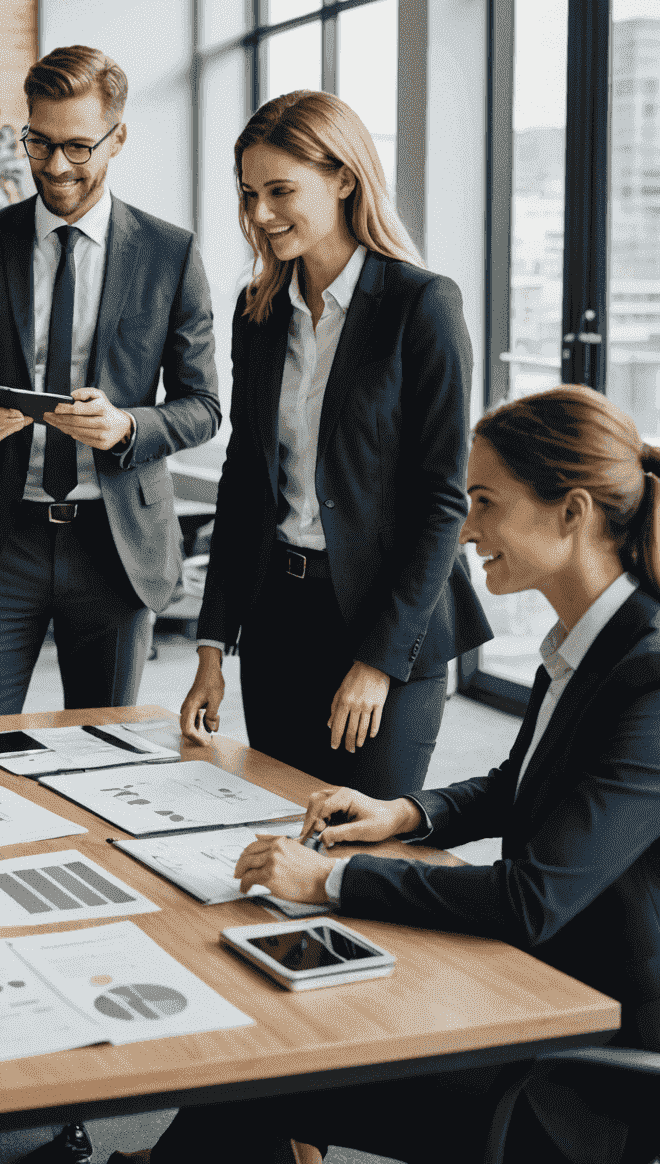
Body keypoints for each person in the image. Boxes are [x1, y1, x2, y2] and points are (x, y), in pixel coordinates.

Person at [136, 384, 660, 1164]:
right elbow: (513, 785)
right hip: (530, 993)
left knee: (278, 1059)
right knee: (279, 1026)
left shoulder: (648, 677)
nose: (466, 528)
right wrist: (404, 815)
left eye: (484, 503)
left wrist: (331, 882)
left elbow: (532, 896)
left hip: (580, 1075)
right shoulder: (584, 644)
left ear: (572, 512)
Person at [179, 90, 491, 795]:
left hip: (387, 624)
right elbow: (244, 482)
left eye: (281, 190)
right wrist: (210, 645)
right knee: (276, 822)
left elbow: (444, 502)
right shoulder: (258, 313)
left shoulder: (423, 306)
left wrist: (379, 661)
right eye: (250, 193)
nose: (260, 214)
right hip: (277, 623)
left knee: (360, 840)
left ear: (344, 178)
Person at [0, 45, 219, 716]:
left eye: (79, 148)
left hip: (115, 547)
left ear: (118, 139)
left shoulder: (172, 254)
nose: (56, 167)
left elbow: (203, 407)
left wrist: (129, 426)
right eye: (40, 144)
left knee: (103, 755)